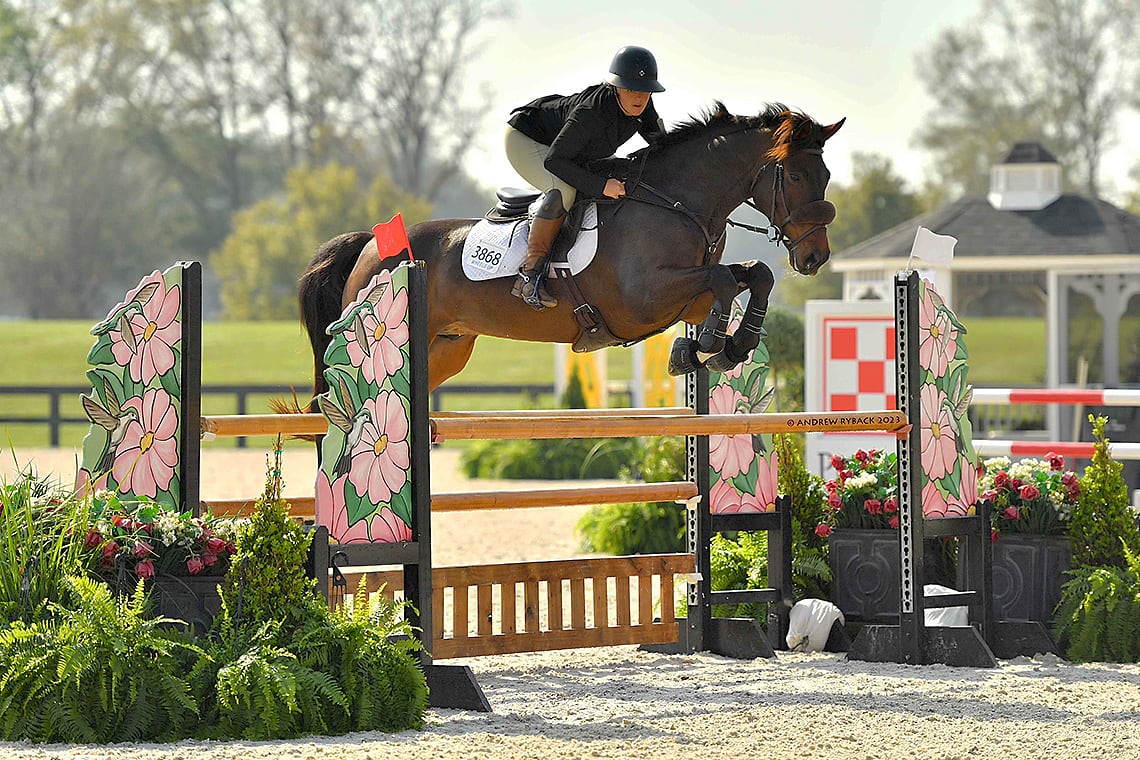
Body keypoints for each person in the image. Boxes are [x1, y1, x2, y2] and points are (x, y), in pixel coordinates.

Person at [504, 45, 666, 310]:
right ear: (616, 87)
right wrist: (602, 186)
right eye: (631, 90)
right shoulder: (590, 114)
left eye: (645, 91)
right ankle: (529, 275)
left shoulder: (642, 106)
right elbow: (555, 161)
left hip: (566, 150)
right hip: (526, 140)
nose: (639, 98)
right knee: (564, 191)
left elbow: (661, 146)